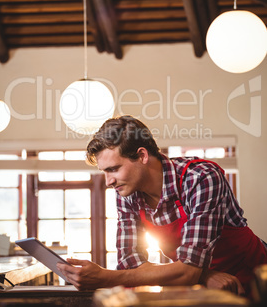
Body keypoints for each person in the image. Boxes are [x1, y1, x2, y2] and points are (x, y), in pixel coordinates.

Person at [57, 115, 267, 298]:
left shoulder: (201, 178)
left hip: (257, 278)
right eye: (105, 172)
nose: (108, 181)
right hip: (204, 288)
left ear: (142, 156)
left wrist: (106, 277)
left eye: (113, 169)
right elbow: (132, 263)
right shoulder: (127, 192)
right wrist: (206, 275)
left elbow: (187, 271)